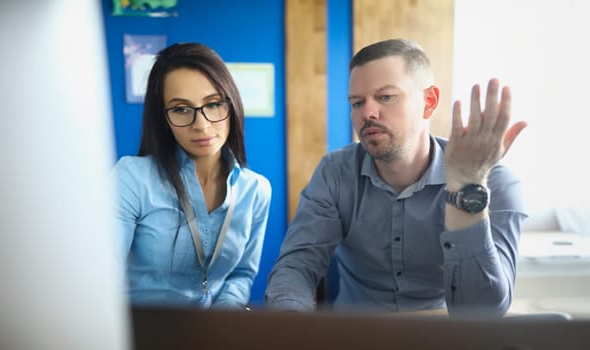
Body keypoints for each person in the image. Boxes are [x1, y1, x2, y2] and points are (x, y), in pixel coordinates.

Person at [265, 38, 527, 316]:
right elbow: (296, 265)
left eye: (386, 97)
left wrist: (467, 185)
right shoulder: (336, 172)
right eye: (357, 103)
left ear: (429, 102)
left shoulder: (492, 182)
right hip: (355, 336)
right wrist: (290, 324)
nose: (367, 113)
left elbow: (483, 312)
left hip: (443, 337)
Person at [111, 42, 272, 309]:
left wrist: (222, 321)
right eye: (181, 109)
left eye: (213, 104)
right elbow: (102, 274)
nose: (202, 125)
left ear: (231, 104)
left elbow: (241, 275)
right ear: (163, 118)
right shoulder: (131, 178)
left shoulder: (256, 190)